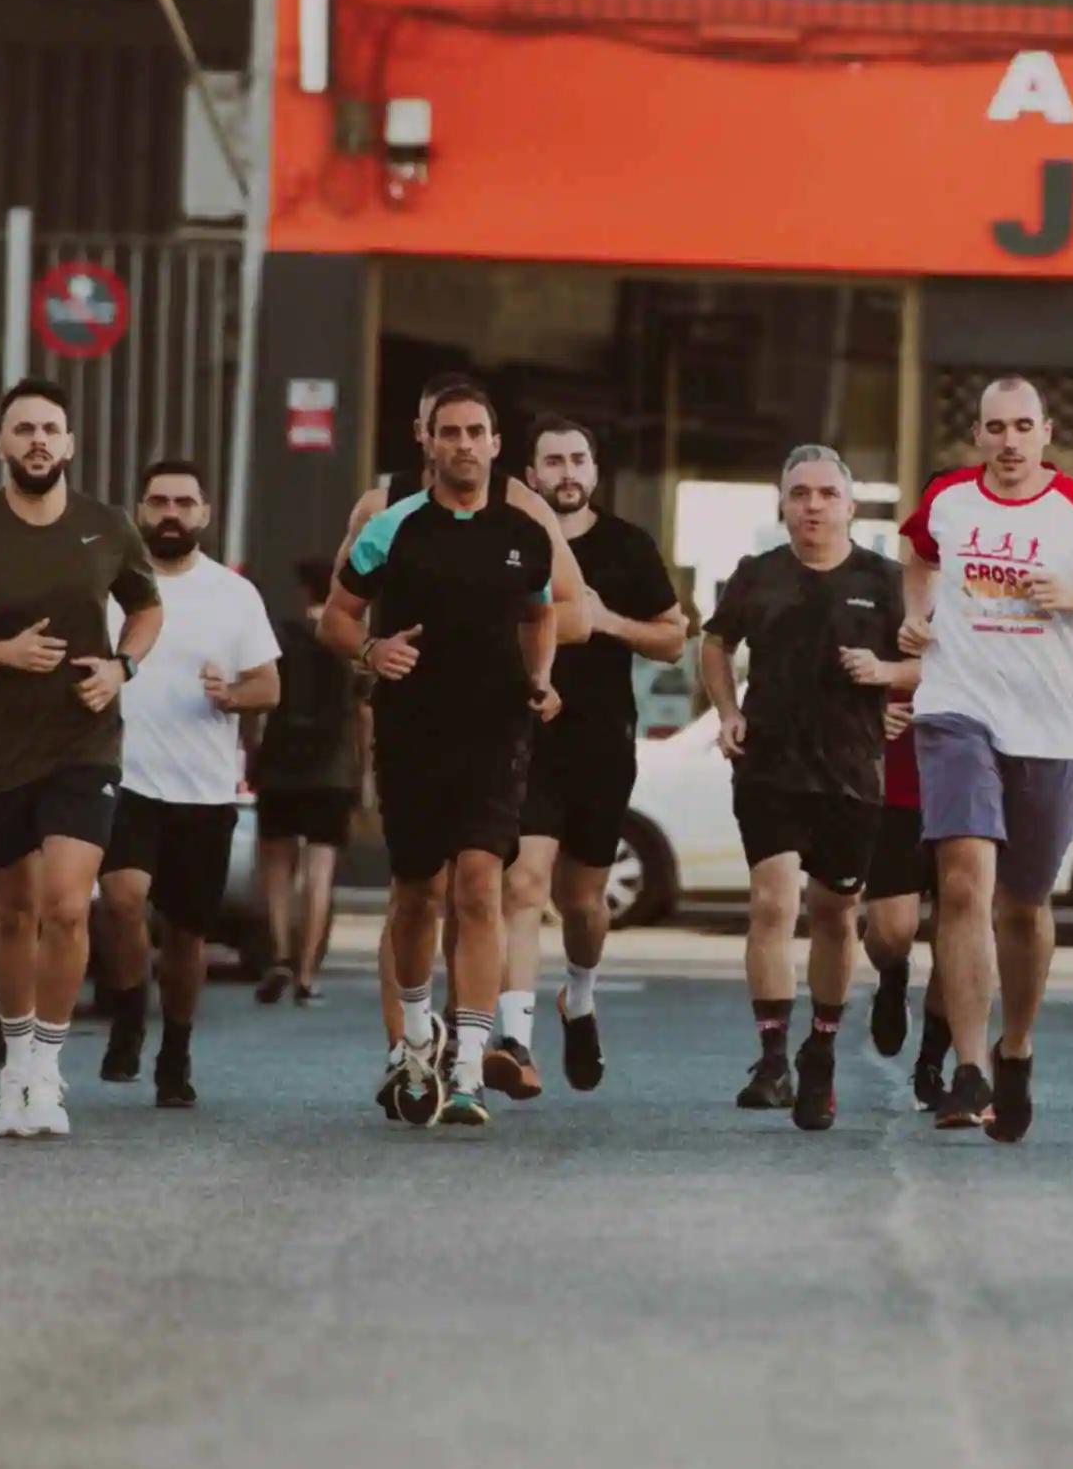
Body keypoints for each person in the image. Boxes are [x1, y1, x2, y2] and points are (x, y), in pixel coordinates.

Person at [900, 377, 1073, 1142]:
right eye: (995, 427)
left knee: (1023, 904)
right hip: (957, 709)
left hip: (1049, 730)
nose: (1009, 441)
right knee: (962, 880)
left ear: (1046, 432)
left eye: (1023, 426)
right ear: (976, 436)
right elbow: (915, 555)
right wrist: (917, 613)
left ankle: (1015, 1047)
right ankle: (969, 1066)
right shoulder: (949, 498)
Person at [0, 377, 163, 1140]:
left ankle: (48, 1069)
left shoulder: (106, 526)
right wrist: (1, 652)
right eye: (23, 429)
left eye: (50, 428)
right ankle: (15, 1062)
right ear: (1, 443)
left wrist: (121, 667)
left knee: (64, 900)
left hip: (84, 742)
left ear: (70, 443)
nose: (38, 441)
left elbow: (147, 606)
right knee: (11, 912)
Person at [323, 380, 563, 1129]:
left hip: (495, 732)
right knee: (418, 892)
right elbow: (335, 614)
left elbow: (541, 608)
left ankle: (467, 1067)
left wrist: (541, 677)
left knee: (480, 888)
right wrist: (372, 648)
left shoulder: (523, 531)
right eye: (449, 432)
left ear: (496, 444)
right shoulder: (391, 528)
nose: (463, 444)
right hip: (410, 733)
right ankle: (418, 1036)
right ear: (427, 442)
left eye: (475, 432)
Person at [698, 446, 910, 1133]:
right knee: (772, 900)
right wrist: (728, 711)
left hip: (851, 774)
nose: (812, 505)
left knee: (833, 909)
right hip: (768, 766)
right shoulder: (757, 575)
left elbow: (929, 663)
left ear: (850, 505)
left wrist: (886, 674)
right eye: (799, 493)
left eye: (825, 493)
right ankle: (770, 1059)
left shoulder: (884, 580)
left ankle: (818, 1050)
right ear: (782, 505)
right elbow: (714, 644)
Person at [93, 457, 283, 1108]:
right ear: (139, 510)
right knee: (120, 900)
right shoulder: (111, 587)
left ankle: (174, 1050)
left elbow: (269, 685)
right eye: (157, 501)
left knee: (185, 936)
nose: (169, 512)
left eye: (182, 502)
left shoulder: (233, 594)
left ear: (203, 513)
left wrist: (230, 694)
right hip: (124, 778)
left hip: (203, 789)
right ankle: (125, 1016)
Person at [513, 416, 689, 1090]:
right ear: (531, 475)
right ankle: (514, 1036)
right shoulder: (513, 544)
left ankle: (578, 996)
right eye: (552, 460)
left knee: (581, 900)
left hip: (601, 738)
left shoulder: (627, 546)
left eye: (577, 458)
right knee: (522, 883)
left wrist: (604, 618)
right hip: (524, 733)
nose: (565, 471)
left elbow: (674, 639)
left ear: (594, 471)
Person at [251, 556, 363, 1007]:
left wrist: (253, 752)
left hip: (279, 765)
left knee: (276, 870)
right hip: (332, 770)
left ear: (302, 592)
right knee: (319, 873)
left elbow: (260, 700)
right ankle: (307, 973)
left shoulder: (280, 638)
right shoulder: (348, 644)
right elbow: (365, 714)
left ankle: (278, 954)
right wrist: (364, 772)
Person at [859, 716, 952, 1110]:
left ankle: (931, 1064)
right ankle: (892, 974)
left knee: (959, 933)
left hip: (964, 785)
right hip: (894, 791)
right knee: (893, 932)